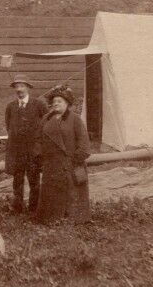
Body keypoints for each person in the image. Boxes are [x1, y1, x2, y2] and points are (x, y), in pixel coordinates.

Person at [34, 86, 91, 224]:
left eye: (59, 101)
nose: (56, 104)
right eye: (54, 101)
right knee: (51, 193)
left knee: (73, 192)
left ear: (67, 103)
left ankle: (75, 218)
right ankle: (51, 218)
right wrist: (40, 157)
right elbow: (38, 140)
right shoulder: (46, 119)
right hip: (51, 165)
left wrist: (75, 160)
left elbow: (84, 144)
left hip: (71, 164)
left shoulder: (75, 120)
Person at [5, 74, 47, 213]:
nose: (19, 89)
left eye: (22, 86)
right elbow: (9, 127)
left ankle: (34, 209)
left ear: (28, 88)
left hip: (33, 151)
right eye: (17, 86)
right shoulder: (11, 107)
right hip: (17, 151)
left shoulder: (38, 105)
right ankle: (17, 208)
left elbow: (46, 125)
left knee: (34, 180)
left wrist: (39, 146)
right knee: (17, 181)